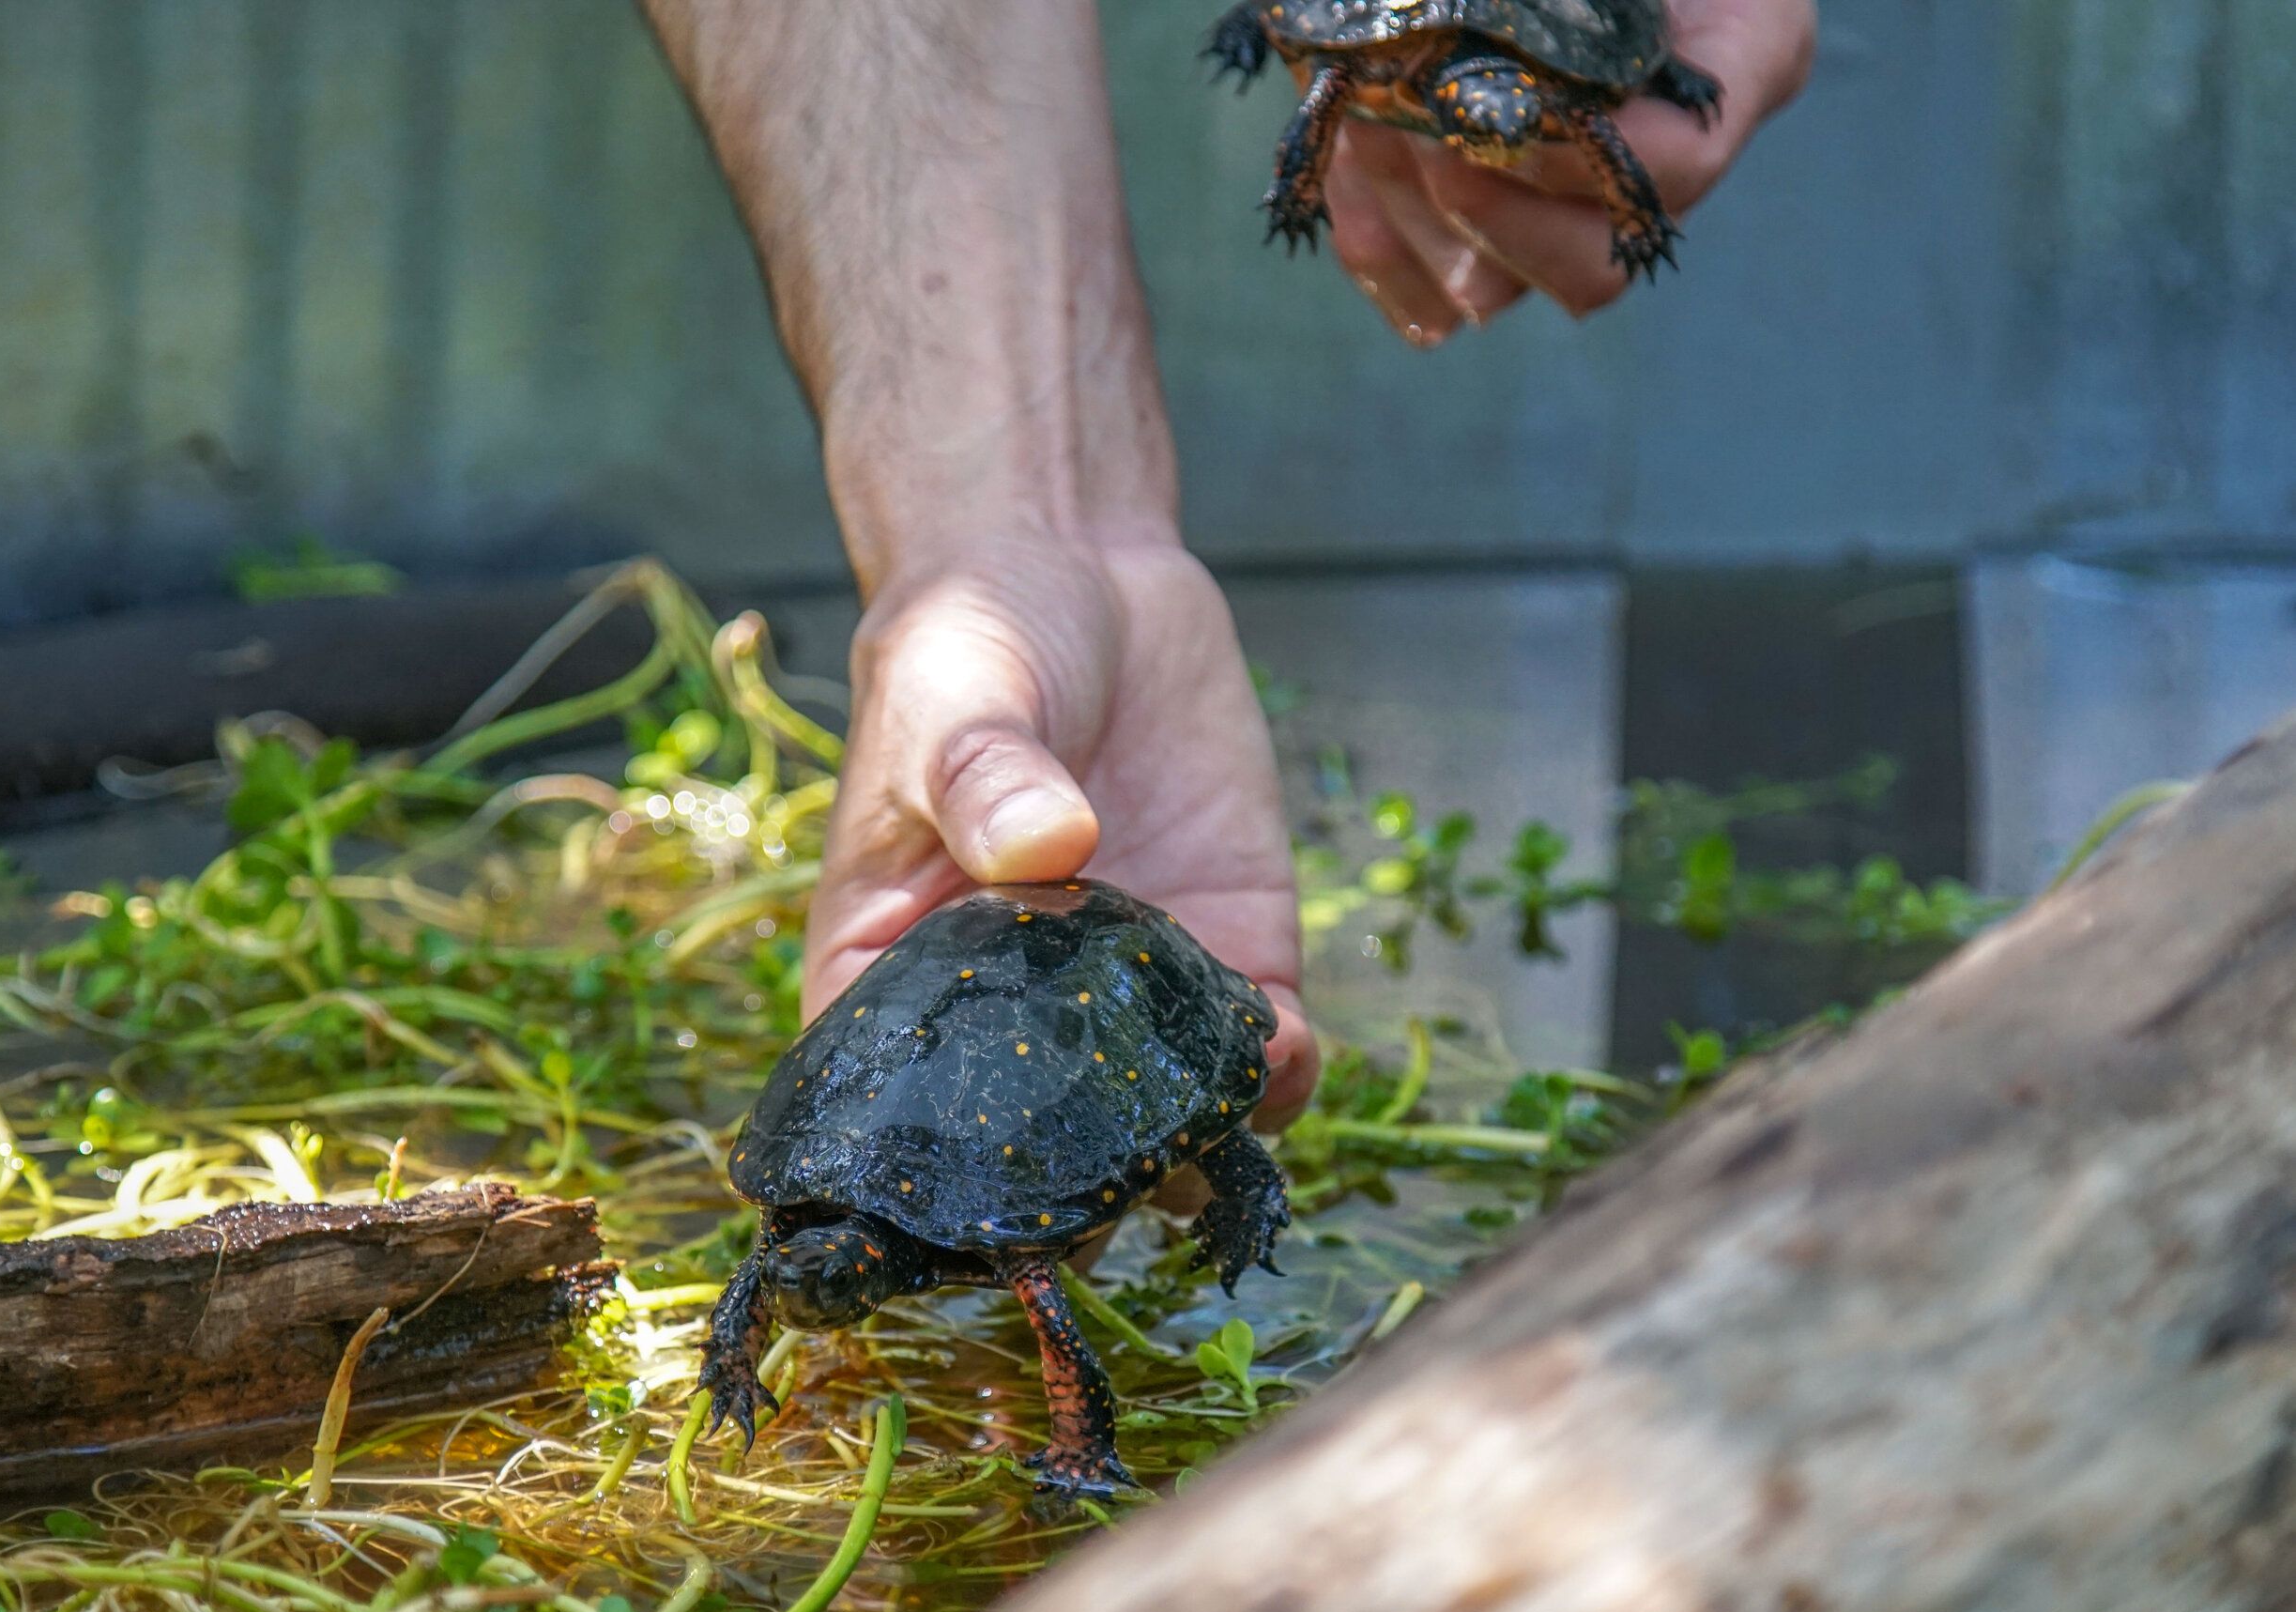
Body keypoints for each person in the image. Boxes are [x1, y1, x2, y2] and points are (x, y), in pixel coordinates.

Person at [641, 0, 1816, 1125]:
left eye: (1515, 111)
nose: (1497, 125)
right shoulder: (1381, 62)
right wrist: (1010, 536)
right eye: (1486, 107)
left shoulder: (1525, 95)